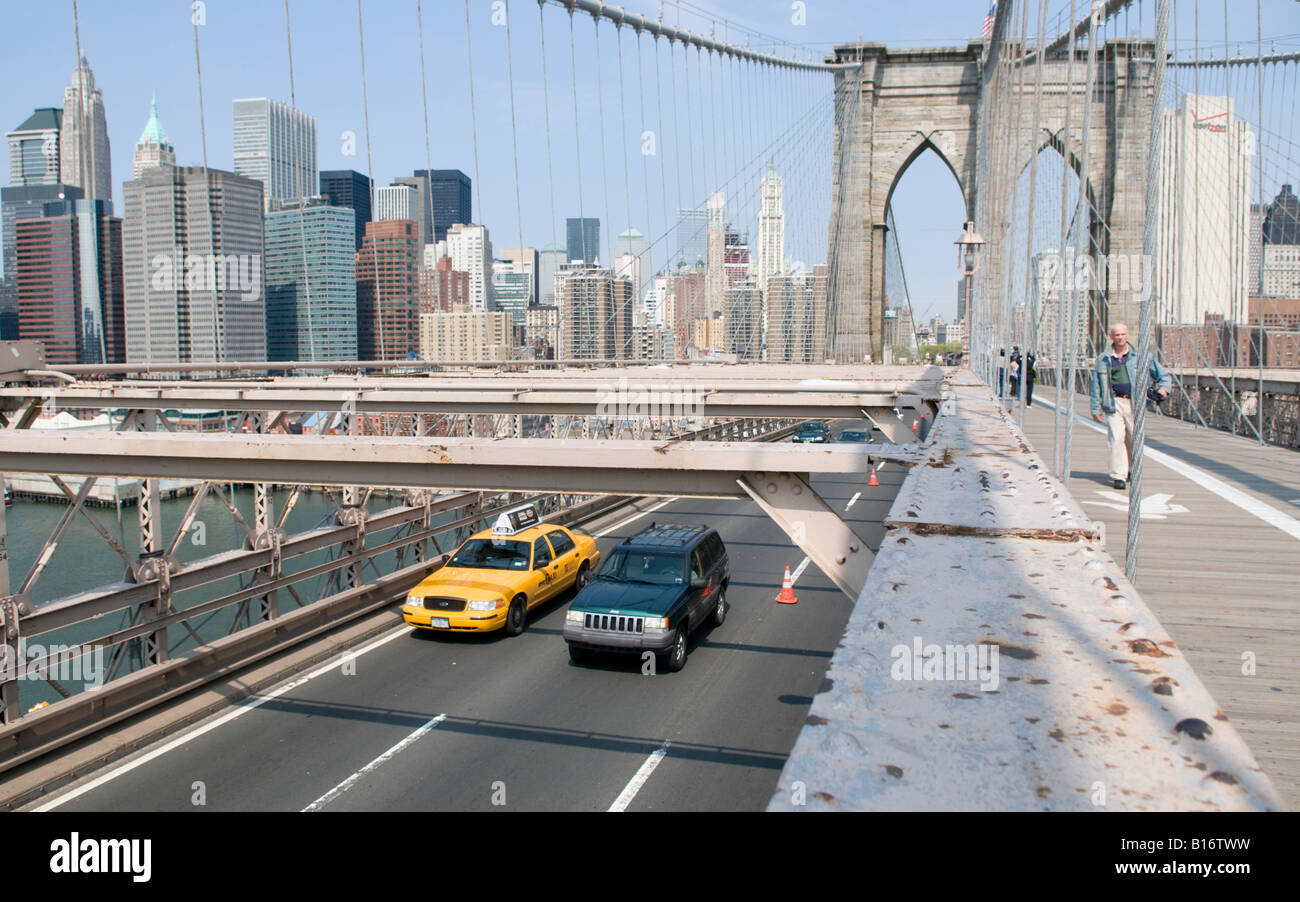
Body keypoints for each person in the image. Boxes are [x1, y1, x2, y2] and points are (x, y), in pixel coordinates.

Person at [1089, 323, 1171, 490]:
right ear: (1111, 337)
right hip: (1113, 402)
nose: (1120, 337)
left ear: (1127, 335)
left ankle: (1132, 469)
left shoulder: (1141, 357)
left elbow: (1162, 376)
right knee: (1116, 438)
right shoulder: (1104, 359)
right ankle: (1118, 475)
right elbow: (1096, 386)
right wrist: (1096, 409)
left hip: (1135, 403)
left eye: (1123, 334)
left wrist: (1163, 390)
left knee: (1133, 439)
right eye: (1117, 335)